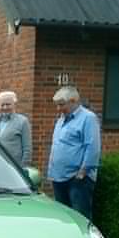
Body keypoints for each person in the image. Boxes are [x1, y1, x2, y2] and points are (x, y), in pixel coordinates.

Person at [47, 86, 101, 220]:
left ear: (73, 101)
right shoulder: (61, 119)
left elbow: (92, 147)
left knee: (80, 218)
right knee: (63, 218)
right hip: (58, 177)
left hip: (77, 179)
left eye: (61, 105)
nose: (58, 109)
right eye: (57, 105)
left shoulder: (88, 118)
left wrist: (82, 172)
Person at [0, 91, 32, 166]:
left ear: (14, 104)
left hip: (13, 167)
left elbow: (27, 149)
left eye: (8, 104)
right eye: (2, 105)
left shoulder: (23, 121)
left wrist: (23, 167)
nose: (5, 107)